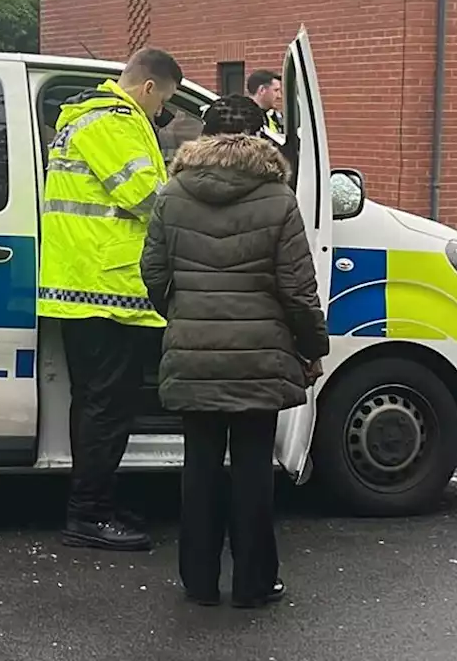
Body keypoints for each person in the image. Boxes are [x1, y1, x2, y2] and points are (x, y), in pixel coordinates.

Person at [139, 94, 329, 606]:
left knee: (198, 469)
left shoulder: (173, 192)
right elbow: (297, 288)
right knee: (252, 473)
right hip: (260, 357)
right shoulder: (277, 197)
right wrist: (312, 347)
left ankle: (198, 583)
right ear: (259, 137)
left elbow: (153, 273)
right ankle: (254, 583)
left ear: (203, 135)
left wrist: (182, 317)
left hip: (193, 349)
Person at [38, 47, 184, 552]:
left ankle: (97, 502)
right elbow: (150, 198)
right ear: (148, 88)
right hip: (106, 288)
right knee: (105, 407)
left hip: (94, 286)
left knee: (102, 404)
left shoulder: (92, 120)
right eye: (163, 101)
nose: (161, 113)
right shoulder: (112, 123)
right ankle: (88, 514)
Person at [246, 69, 284, 135]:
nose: (279, 96)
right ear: (262, 90)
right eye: (276, 90)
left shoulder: (272, 116)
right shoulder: (245, 120)